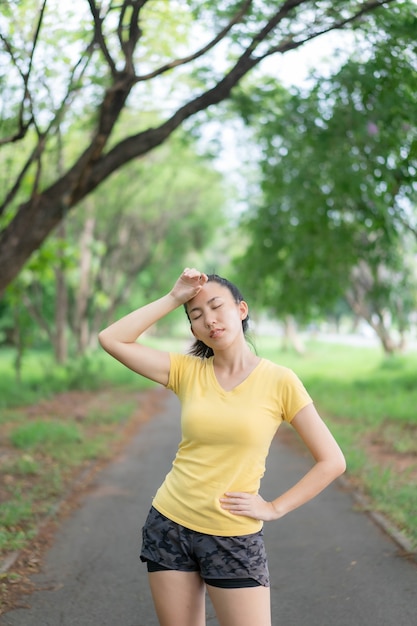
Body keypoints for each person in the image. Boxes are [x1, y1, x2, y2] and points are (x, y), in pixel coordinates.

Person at [98, 267, 346, 626]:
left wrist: (275, 508)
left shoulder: (280, 381)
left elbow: (332, 460)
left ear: (241, 310)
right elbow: (112, 339)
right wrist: (173, 298)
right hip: (170, 523)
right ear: (192, 328)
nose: (209, 320)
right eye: (196, 314)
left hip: (233, 536)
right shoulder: (187, 371)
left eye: (217, 307)